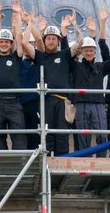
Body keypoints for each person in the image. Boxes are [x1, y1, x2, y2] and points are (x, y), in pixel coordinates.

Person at [0, 2, 35, 151]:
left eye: (7, 42)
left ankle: (19, 166)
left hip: (14, 102)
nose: (4, 44)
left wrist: (18, 14)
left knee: (19, 137)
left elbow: (19, 36)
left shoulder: (16, 58)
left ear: (11, 44)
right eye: (1, 41)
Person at [72, 13, 110, 150]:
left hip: (98, 105)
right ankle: (84, 159)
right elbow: (68, 51)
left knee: (102, 134)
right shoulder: (76, 66)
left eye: (91, 51)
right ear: (81, 52)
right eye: (86, 50)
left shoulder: (101, 67)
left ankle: (102, 161)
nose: (89, 53)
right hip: (81, 104)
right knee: (83, 136)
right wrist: (76, 27)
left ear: (95, 53)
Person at [34, 9, 77, 155]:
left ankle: (63, 162)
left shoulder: (64, 55)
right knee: (47, 133)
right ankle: (49, 162)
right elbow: (25, 46)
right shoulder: (40, 56)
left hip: (62, 101)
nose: (51, 41)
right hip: (46, 100)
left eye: (54, 38)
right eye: (48, 38)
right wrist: (30, 24)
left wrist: (71, 27)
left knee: (62, 134)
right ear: (44, 40)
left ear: (58, 41)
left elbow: (80, 43)